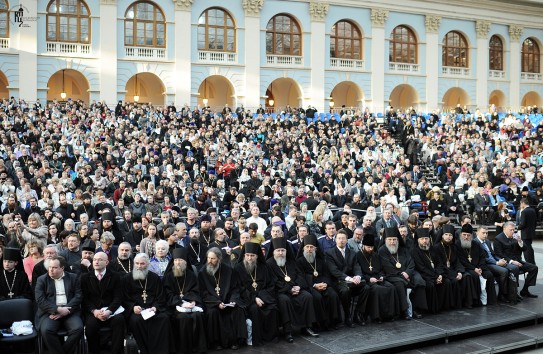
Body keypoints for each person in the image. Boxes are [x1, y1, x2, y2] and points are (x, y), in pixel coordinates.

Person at [266, 237, 318, 341]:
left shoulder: (291, 261)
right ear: (273, 252)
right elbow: (273, 281)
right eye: (278, 251)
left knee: (307, 296)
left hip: (295, 288)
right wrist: (289, 289)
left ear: (286, 251)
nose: (281, 253)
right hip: (280, 291)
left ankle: (307, 327)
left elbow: (300, 275)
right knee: (285, 300)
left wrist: (298, 286)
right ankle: (287, 331)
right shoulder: (269, 263)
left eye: (283, 250)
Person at [122, 253, 172, 354]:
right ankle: (143, 350)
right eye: (137, 263)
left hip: (152, 309)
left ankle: (161, 351)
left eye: (142, 264)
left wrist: (155, 307)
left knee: (164, 318)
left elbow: (161, 296)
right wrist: (132, 307)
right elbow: (124, 298)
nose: (139, 266)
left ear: (147, 264)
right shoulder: (126, 278)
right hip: (137, 311)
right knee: (136, 321)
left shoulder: (154, 277)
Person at [198, 247, 247, 350]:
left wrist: (232, 300)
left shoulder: (229, 270)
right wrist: (217, 303)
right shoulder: (202, 272)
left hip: (228, 301)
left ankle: (236, 341)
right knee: (212, 313)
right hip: (212, 303)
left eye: (213, 258)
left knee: (238, 309)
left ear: (219, 259)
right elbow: (203, 293)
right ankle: (216, 343)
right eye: (208, 258)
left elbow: (235, 288)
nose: (210, 261)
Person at [35, 256, 84, 354]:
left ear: (62, 268)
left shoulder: (73, 278)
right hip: (50, 312)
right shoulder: (42, 279)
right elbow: (40, 300)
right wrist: (57, 310)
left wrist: (65, 310)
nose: (51, 270)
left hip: (70, 311)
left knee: (78, 329)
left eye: (54, 267)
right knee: (46, 330)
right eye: (50, 267)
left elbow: (78, 296)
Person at [163, 248, 207, 354]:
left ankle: (198, 348)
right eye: (176, 260)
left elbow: (196, 291)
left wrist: (193, 302)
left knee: (198, 316)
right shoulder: (168, 276)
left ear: (185, 262)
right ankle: (184, 349)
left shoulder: (191, 275)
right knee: (183, 318)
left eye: (180, 260)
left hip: (190, 305)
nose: (178, 262)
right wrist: (181, 303)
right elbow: (168, 294)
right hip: (175, 307)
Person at [234, 242, 279, 346]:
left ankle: (270, 337)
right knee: (254, 309)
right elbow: (239, 288)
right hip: (247, 299)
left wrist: (261, 297)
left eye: (252, 256)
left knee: (273, 308)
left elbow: (270, 285)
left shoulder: (264, 267)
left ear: (257, 256)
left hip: (264, 297)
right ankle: (257, 339)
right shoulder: (238, 268)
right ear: (244, 255)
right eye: (248, 255)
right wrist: (254, 298)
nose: (250, 258)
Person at [80, 252, 126, 354]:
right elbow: (84, 299)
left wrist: (109, 311)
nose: (96, 261)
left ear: (107, 262)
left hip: (111, 311)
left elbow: (118, 297)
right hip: (93, 311)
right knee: (90, 326)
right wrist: (94, 311)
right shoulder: (85, 277)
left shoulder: (115, 276)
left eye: (100, 260)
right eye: (95, 259)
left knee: (119, 321)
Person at [296, 233, 342, 330]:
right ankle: (319, 324)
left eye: (311, 247)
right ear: (303, 248)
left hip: (323, 284)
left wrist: (325, 283)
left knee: (333, 294)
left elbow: (326, 274)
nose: (309, 249)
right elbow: (301, 277)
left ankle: (332, 322)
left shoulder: (321, 260)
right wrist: (314, 285)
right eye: (307, 247)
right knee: (317, 297)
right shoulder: (299, 261)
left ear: (315, 249)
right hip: (309, 286)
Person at [378, 227, 426, 319]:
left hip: (408, 273)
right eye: (390, 240)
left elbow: (411, 262)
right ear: (385, 240)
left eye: (394, 239)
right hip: (392, 275)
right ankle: (405, 311)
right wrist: (402, 274)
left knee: (419, 280)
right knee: (400, 284)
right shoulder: (382, 250)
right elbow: (387, 267)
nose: (392, 242)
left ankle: (417, 309)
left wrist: (407, 272)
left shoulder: (403, 249)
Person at [326, 229, 369, 327]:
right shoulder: (330, 253)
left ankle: (357, 314)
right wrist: (349, 278)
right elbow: (334, 271)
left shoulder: (352, 253)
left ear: (346, 240)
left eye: (343, 238)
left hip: (352, 281)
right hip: (338, 282)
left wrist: (358, 276)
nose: (341, 240)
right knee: (345, 290)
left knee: (365, 288)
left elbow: (356, 266)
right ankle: (347, 316)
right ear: (335, 240)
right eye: (339, 238)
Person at [493, 222, 539, 299]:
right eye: (510, 230)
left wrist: (520, 241)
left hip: (518, 261)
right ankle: (514, 292)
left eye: (513, 230)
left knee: (534, 268)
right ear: (504, 229)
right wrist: (512, 261)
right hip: (507, 262)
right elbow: (498, 254)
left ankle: (525, 290)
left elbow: (524, 249)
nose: (513, 232)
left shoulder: (515, 236)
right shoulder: (498, 238)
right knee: (515, 268)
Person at [411, 228, 452, 313]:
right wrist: (436, 276)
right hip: (423, 275)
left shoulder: (432, 249)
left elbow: (439, 264)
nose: (425, 241)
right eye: (422, 239)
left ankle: (443, 306)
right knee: (431, 284)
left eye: (426, 238)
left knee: (447, 281)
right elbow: (421, 268)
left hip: (435, 274)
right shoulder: (414, 251)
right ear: (418, 240)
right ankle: (432, 309)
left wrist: (440, 274)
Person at [456, 225, 497, 306]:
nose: (466, 237)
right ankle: (475, 301)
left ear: (472, 235)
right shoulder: (457, 244)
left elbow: (482, 257)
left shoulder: (475, 243)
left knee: (489, 274)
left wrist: (480, 267)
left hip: (478, 267)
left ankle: (490, 300)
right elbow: (461, 260)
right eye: (464, 235)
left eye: (468, 235)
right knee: (474, 276)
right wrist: (474, 269)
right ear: (461, 234)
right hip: (466, 268)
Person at [475, 226, 517, 303]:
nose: (485, 235)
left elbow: (493, 254)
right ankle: (502, 294)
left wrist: (500, 259)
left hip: (494, 261)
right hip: (485, 264)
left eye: (487, 233)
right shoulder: (475, 242)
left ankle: (512, 293)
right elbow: (483, 258)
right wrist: (496, 262)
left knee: (513, 268)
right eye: (483, 233)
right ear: (477, 233)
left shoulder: (487, 241)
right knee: (504, 271)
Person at [517, 198, 537, 264]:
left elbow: (522, 224)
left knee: (526, 249)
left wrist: (516, 227)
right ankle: (532, 262)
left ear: (523, 203)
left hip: (525, 233)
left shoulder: (524, 211)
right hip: (531, 232)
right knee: (529, 248)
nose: (520, 205)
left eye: (520, 203)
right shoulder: (533, 210)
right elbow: (535, 223)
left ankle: (529, 263)